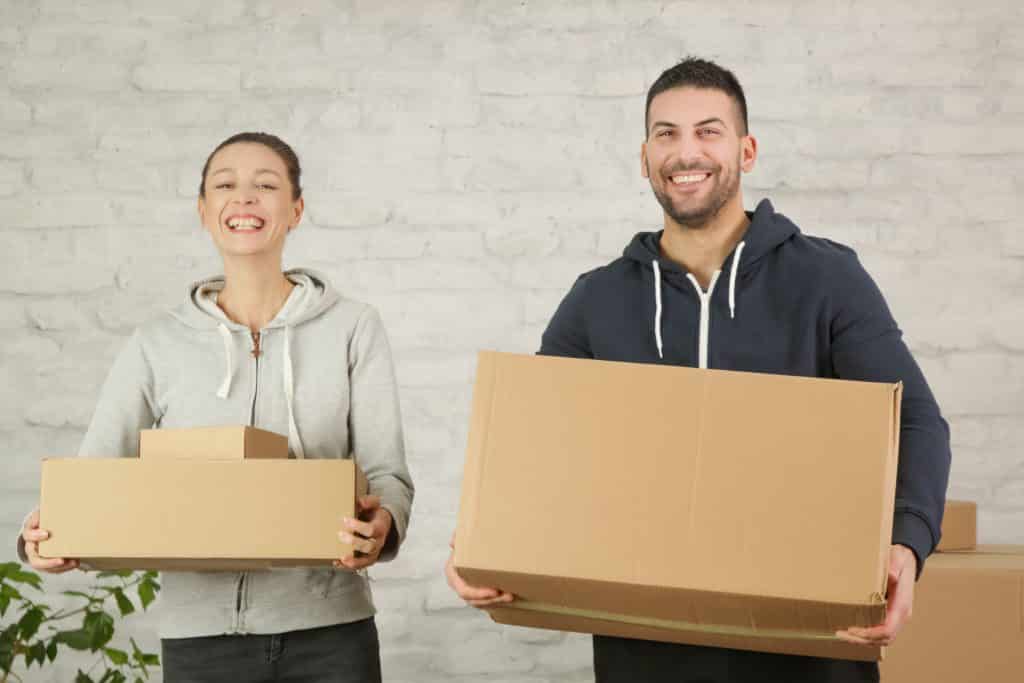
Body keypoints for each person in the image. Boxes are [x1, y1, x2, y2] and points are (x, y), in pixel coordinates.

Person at [446, 57, 951, 683]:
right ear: (644, 157)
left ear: (746, 149)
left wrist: (906, 545)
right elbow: (532, 447)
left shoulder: (827, 279)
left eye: (708, 131)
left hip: (811, 646)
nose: (687, 152)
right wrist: (478, 538)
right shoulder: (596, 300)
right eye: (667, 133)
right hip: (649, 650)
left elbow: (920, 423)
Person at [18, 132, 414, 683]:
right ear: (204, 210)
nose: (245, 199)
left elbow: (388, 473)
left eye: (266, 186)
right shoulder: (156, 342)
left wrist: (384, 523)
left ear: (295, 210)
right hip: (200, 640)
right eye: (225, 185)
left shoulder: (352, 327)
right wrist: (46, 536)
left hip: (330, 633)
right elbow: (92, 477)